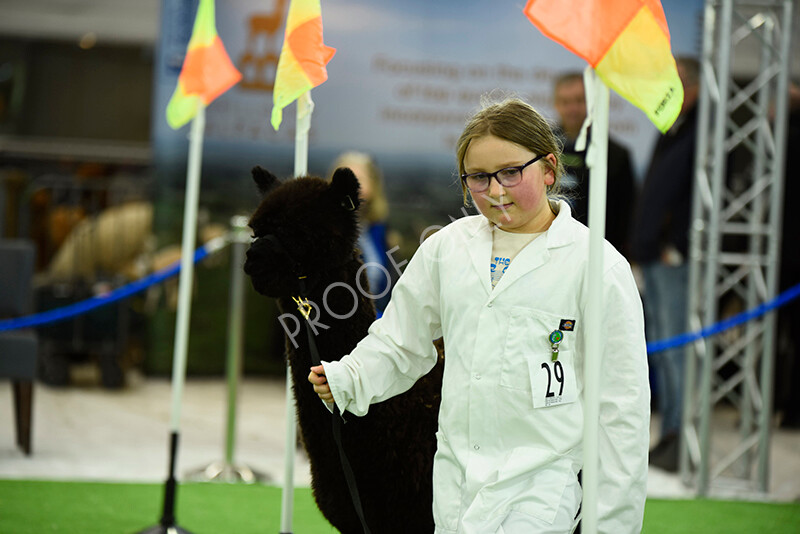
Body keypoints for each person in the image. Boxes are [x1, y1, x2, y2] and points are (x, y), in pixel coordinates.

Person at [310, 97, 650, 533]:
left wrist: (615, 524)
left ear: (549, 169)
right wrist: (348, 378)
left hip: (542, 490)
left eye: (511, 172)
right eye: (478, 177)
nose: (495, 190)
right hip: (455, 483)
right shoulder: (446, 249)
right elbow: (400, 340)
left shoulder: (598, 266)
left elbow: (622, 409)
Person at [630, 57, 700, 472]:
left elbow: (708, 191)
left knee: (675, 350)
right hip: (652, 253)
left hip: (672, 256)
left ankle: (678, 435)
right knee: (662, 348)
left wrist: (678, 244)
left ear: (688, 85)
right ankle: (668, 434)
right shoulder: (672, 127)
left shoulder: (703, 130)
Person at [553, 72, 637, 257]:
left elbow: (626, 215)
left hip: (597, 253)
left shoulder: (616, 155)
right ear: (556, 105)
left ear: (592, 103)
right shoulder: (540, 148)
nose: (572, 108)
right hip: (548, 249)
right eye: (565, 102)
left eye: (579, 101)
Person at [330, 150, 395, 315]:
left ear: (373, 186)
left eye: (359, 180)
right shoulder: (322, 235)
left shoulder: (379, 232)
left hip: (378, 328)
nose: (351, 188)